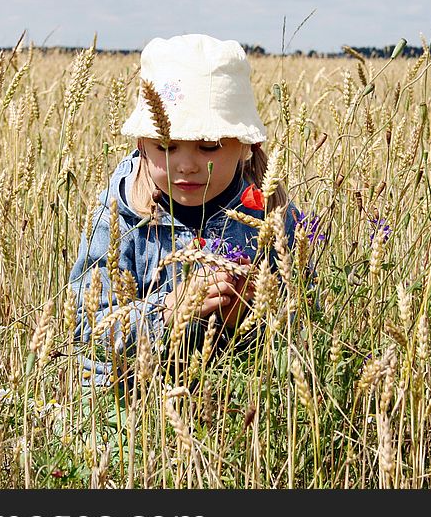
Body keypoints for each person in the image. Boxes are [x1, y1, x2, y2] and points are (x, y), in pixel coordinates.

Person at [69, 34, 303, 386]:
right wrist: (167, 310)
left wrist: (251, 314)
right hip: (129, 413)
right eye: (166, 146)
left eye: (209, 146)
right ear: (140, 144)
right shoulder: (119, 215)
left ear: (246, 146)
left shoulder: (271, 214)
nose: (187, 165)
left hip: (235, 404)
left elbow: (307, 320)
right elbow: (86, 328)